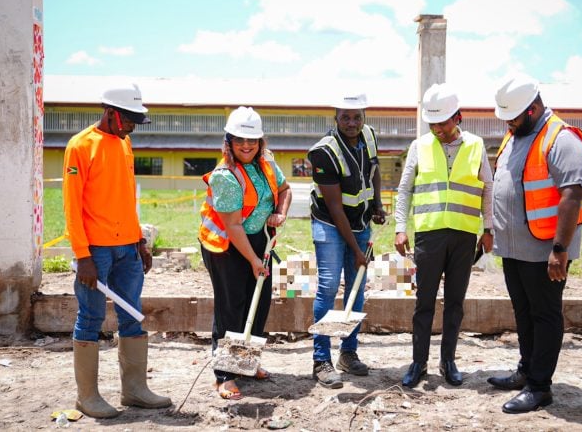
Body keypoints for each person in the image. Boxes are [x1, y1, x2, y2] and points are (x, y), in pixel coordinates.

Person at [63, 84, 171, 418]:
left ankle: (135, 390)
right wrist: (83, 256)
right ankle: (88, 397)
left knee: (132, 314)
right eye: (129, 119)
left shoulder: (125, 143)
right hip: (96, 252)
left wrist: (140, 241)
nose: (132, 127)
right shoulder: (80, 146)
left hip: (127, 249)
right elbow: (71, 206)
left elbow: (126, 197)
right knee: (91, 317)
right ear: (111, 112)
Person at [488, 74, 582, 413]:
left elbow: (572, 195)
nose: (509, 124)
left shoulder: (562, 139)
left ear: (533, 109)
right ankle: (526, 370)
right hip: (515, 247)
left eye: (513, 117)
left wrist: (559, 251)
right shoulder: (515, 135)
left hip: (546, 247)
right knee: (524, 311)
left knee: (544, 314)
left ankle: (540, 386)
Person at [394, 83, 494, 388]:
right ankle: (418, 363)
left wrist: (488, 228)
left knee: (455, 302)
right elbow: (405, 189)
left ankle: (448, 360)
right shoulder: (419, 146)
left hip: (464, 236)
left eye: (443, 122)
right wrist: (401, 227)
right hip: (428, 234)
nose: (437, 128)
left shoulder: (476, 146)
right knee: (423, 302)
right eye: (432, 123)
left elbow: (488, 189)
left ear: (458, 117)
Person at [199, 106, 292, 400]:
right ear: (228, 142)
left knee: (259, 304)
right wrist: (252, 260)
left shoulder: (266, 164)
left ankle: (246, 364)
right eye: (239, 140)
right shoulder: (224, 176)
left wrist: (280, 212)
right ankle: (224, 376)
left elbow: (286, 189)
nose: (247, 146)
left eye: (252, 140)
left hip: (259, 241)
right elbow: (234, 225)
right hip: (226, 246)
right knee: (231, 308)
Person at [309, 94, 387, 389]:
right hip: (330, 224)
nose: (352, 123)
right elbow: (335, 207)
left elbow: (374, 170)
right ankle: (321, 360)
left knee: (356, 289)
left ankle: (348, 353)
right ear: (336, 119)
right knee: (329, 286)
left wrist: (377, 205)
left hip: (361, 223)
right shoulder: (323, 153)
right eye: (345, 118)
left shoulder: (368, 135)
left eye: (357, 117)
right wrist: (356, 250)